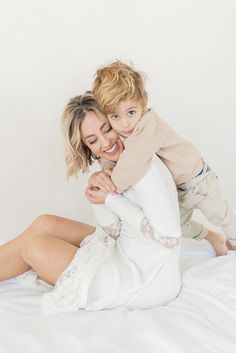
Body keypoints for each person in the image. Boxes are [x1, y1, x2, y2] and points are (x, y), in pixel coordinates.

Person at [0, 92, 214, 315]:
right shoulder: (121, 164)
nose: (105, 143)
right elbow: (112, 231)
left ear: (116, 118)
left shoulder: (143, 169)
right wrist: (98, 194)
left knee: (35, 249)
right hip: (125, 250)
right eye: (92, 140)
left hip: (145, 281)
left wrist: (110, 199)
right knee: (44, 223)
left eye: (107, 129)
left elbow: (169, 237)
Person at [91, 60, 236, 255]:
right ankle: (212, 236)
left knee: (222, 215)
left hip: (198, 182)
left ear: (144, 101)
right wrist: (107, 168)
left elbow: (131, 163)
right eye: (115, 117)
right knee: (180, 226)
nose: (125, 124)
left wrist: (110, 188)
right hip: (178, 190)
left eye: (131, 112)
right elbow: (115, 153)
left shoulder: (149, 125)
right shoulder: (127, 131)